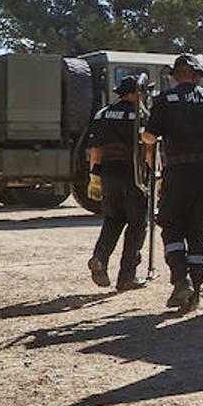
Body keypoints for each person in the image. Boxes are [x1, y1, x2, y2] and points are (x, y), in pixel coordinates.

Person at [140, 53, 203, 313]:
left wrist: (143, 135)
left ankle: (180, 278)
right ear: (197, 77)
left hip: (177, 172)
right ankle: (196, 291)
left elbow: (150, 136)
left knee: (171, 224)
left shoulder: (164, 100)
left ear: (175, 77)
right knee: (199, 228)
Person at [86, 76, 149, 291]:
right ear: (134, 93)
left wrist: (94, 175)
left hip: (108, 174)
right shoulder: (141, 115)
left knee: (113, 219)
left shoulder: (103, 113)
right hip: (134, 175)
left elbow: (95, 149)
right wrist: (157, 176)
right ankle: (127, 277)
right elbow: (149, 150)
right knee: (137, 224)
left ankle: (100, 258)